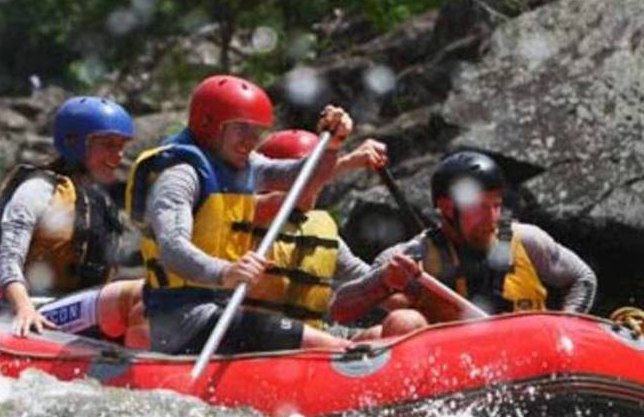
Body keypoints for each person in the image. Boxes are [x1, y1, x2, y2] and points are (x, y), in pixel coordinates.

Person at [125, 74, 355, 355]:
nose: (251, 140)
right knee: (331, 348)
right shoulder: (180, 175)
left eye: (256, 130)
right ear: (208, 124)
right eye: (241, 128)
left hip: (223, 309)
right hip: (183, 320)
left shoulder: (246, 164)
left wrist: (331, 145)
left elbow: (302, 177)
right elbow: (172, 249)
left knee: (312, 340)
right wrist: (226, 272)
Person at [330, 150, 598, 324]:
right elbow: (340, 308)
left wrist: (567, 326)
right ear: (447, 207)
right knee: (403, 321)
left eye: (497, 205)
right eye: (481, 207)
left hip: (533, 363)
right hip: (460, 373)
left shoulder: (526, 239)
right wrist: (383, 281)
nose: (493, 217)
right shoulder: (414, 255)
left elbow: (582, 278)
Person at [0, 95, 145, 340]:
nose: (118, 156)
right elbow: (8, 258)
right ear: (75, 143)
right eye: (108, 145)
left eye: (121, 146)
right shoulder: (37, 190)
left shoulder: (100, 200)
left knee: (156, 297)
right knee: (138, 294)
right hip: (35, 310)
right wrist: (23, 307)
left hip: (74, 309)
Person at [246, 129, 426, 339]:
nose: (317, 186)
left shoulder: (319, 230)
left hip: (316, 333)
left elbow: (365, 280)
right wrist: (349, 161)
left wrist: (404, 287)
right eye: (314, 174)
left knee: (400, 327)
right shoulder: (247, 220)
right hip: (257, 340)